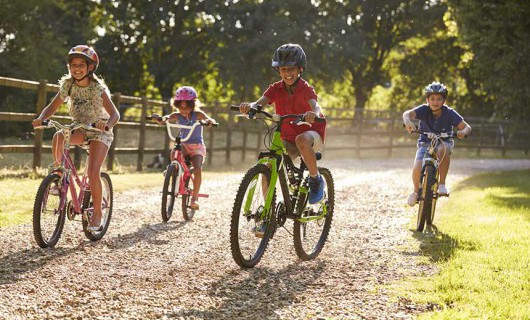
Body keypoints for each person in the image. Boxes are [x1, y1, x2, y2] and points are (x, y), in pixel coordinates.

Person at [32, 45, 120, 231]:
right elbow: (53, 105)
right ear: (69, 67)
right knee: (59, 136)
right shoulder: (68, 85)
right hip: (79, 128)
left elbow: (115, 114)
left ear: (90, 68)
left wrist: (106, 125)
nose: (77, 68)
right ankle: (58, 175)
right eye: (73, 64)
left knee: (94, 172)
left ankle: (97, 215)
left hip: (99, 131)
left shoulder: (98, 88)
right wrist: (42, 118)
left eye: (81, 64)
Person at [239, 43, 327, 205]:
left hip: (310, 133)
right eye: (283, 69)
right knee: (268, 168)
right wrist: (250, 107)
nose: (287, 73)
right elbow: (259, 103)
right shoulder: (275, 89)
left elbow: (316, 105)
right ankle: (267, 213)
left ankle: (315, 179)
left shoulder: (305, 89)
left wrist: (313, 113)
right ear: (278, 70)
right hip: (287, 135)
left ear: (300, 69)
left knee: (301, 139)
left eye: (292, 68)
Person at [403, 81, 472, 207]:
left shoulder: (449, 113)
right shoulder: (423, 110)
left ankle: (442, 184)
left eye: (439, 99)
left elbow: (467, 126)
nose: (435, 102)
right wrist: (407, 121)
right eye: (432, 99)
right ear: (427, 99)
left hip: (444, 141)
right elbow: (407, 114)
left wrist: (463, 132)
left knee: (443, 148)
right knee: (418, 165)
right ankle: (415, 192)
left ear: (444, 101)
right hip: (425, 143)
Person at [154, 86, 217, 210]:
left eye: (186, 107)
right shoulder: (177, 115)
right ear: (176, 105)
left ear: (192, 105)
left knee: (197, 168)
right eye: (180, 107)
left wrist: (209, 121)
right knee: (175, 150)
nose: (183, 110)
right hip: (184, 144)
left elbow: (208, 119)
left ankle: (194, 198)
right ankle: (173, 168)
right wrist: (160, 118)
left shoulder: (197, 114)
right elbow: (166, 118)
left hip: (197, 146)